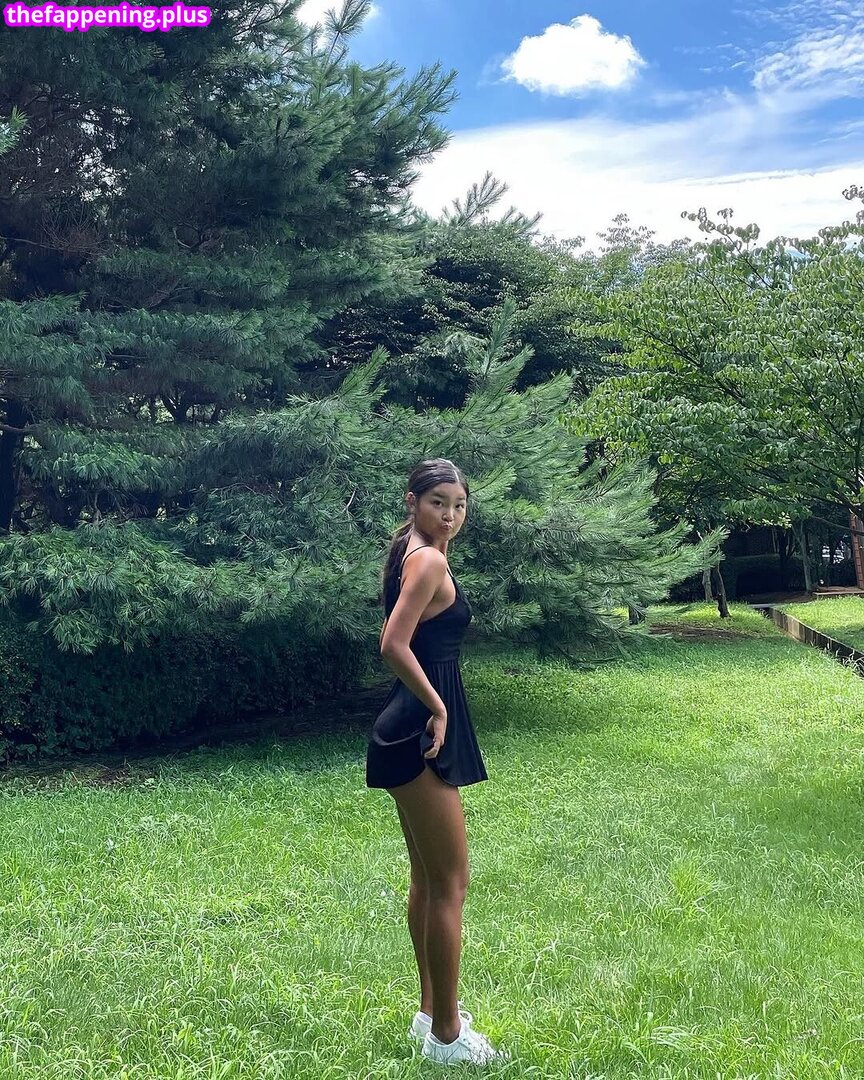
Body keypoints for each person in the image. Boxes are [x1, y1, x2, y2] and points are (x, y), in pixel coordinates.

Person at [366, 458, 510, 1067]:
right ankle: (448, 1037)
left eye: (459, 504)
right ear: (413, 502)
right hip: (418, 730)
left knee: (428, 880)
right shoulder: (427, 560)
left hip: (409, 726)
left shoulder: (413, 551)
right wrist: (438, 707)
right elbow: (392, 644)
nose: (450, 515)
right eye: (438, 503)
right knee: (450, 883)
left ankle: (430, 1015)